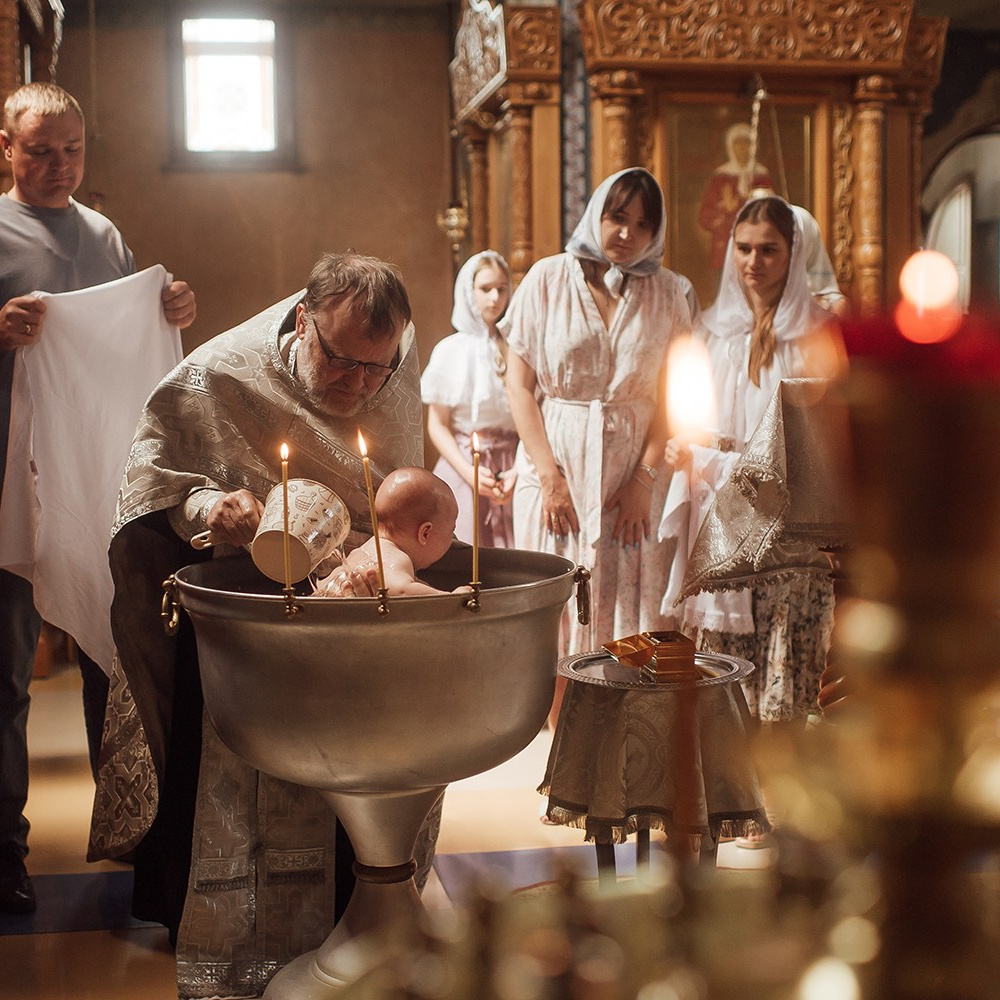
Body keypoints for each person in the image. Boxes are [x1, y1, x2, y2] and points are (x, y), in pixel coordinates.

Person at [87, 252, 433, 999]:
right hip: (240, 627)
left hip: (349, 630)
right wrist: (210, 509)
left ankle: (354, 912)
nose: (359, 386)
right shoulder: (219, 375)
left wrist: (390, 553)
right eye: (341, 362)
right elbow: (151, 486)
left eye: (378, 369)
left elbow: (399, 499)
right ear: (304, 321)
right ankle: (222, 927)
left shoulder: (392, 370)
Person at [0, 82, 196, 916]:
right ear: (5, 146)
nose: (58, 165)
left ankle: (131, 829)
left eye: (72, 148)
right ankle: (4, 849)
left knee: (110, 662)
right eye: (40, 149)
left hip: (89, 477)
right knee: (4, 676)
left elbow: (120, 353)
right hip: (9, 479)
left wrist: (169, 307)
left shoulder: (104, 233)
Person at [504, 167, 692, 725]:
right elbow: (519, 383)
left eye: (642, 224)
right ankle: (562, 742)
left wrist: (645, 480)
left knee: (632, 600)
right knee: (559, 600)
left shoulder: (671, 291)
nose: (627, 234)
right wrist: (550, 476)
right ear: (595, 214)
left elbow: (670, 397)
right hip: (555, 463)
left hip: (634, 471)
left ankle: (627, 739)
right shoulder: (546, 279)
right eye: (617, 217)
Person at [660, 195, 843, 730]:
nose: (753, 262)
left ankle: (784, 787)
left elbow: (828, 429)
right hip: (725, 506)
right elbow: (694, 416)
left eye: (769, 249)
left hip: (791, 508)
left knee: (786, 646)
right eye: (743, 248)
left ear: (793, 253)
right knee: (724, 661)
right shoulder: (711, 332)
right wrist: (684, 445)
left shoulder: (820, 333)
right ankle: (727, 788)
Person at [421, 251, 517, 547]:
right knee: (467, 551)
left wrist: (520, 469)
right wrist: (468, 472)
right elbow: (437, 425)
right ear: (468, 291)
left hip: (512, 464)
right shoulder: (451, 350)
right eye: (485, 288)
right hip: (465, 461)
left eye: (502, 289)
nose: (494, 298)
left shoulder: (517, 347)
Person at [315, 467, 468, 597]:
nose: (451, 539)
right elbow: (402, 591)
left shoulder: (365, 549)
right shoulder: (396, 557)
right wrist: (450, 598)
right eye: (451, 531)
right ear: (425, 533)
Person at [698, 122, 774, 271]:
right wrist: (723, 209)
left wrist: (738, 203)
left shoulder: (762, 176)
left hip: (755, 253)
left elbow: (772, 213)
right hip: (724, 251)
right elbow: (704, 218)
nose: (742, 148)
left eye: (747, 143)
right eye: (737, 144)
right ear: (730, 147)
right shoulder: (720, 177)